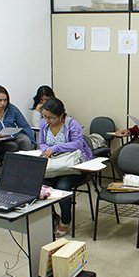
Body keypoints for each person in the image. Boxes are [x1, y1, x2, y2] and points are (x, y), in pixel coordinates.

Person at [39, 97, 93, 237]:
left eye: (51, 118)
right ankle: (52, 216)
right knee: (41, 186)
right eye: (45, 116)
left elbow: (78, 144)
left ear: (61, 115)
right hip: (53, 166)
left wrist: (56, 148)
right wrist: (46, 150)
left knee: (62, 187)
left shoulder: (71, 124)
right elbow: (41, 143)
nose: (47, 120)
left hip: (73, 166)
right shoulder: (44, 125)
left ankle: (65, 221)